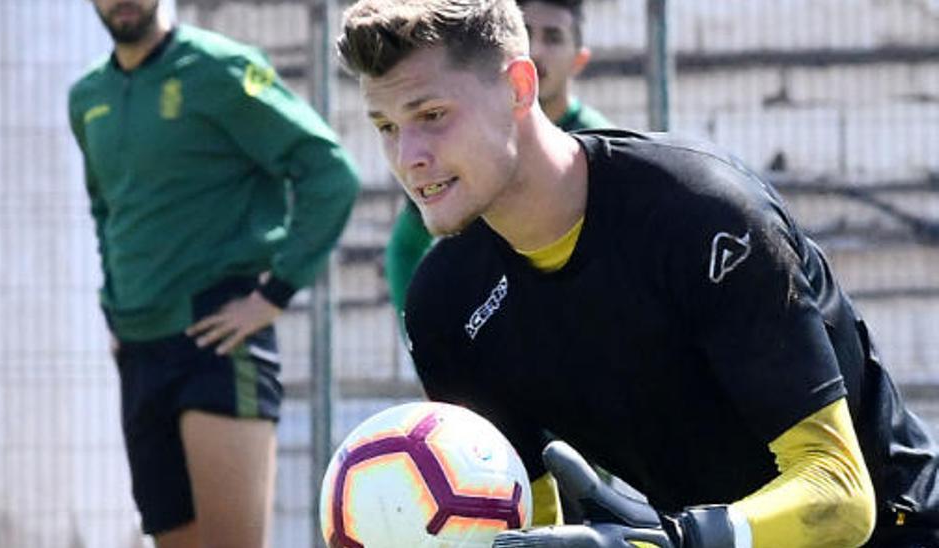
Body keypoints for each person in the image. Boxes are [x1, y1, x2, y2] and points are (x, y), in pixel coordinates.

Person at [337, 0, 939, 546]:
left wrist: (668, 542)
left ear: (520, 87)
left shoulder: (697, 208)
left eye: (432, 114)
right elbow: (528, 528)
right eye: (386, 126)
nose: (407, 156)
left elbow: (841, 497)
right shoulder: (443, 304)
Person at [68, 0, 360, 545]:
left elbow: (330, 172)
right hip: (137, 345)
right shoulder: (87, 96)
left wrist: (274, 293)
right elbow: (105, 209)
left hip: (218, 338)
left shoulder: (219, 69)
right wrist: (114, 304)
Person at [384, 0, 610, 319]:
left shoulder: (601, 146)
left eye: (554, 37)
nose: (538, 50)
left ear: (579, 59)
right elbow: (405, 248)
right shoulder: (468, 144)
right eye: (527, 33)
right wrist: (419, 341)